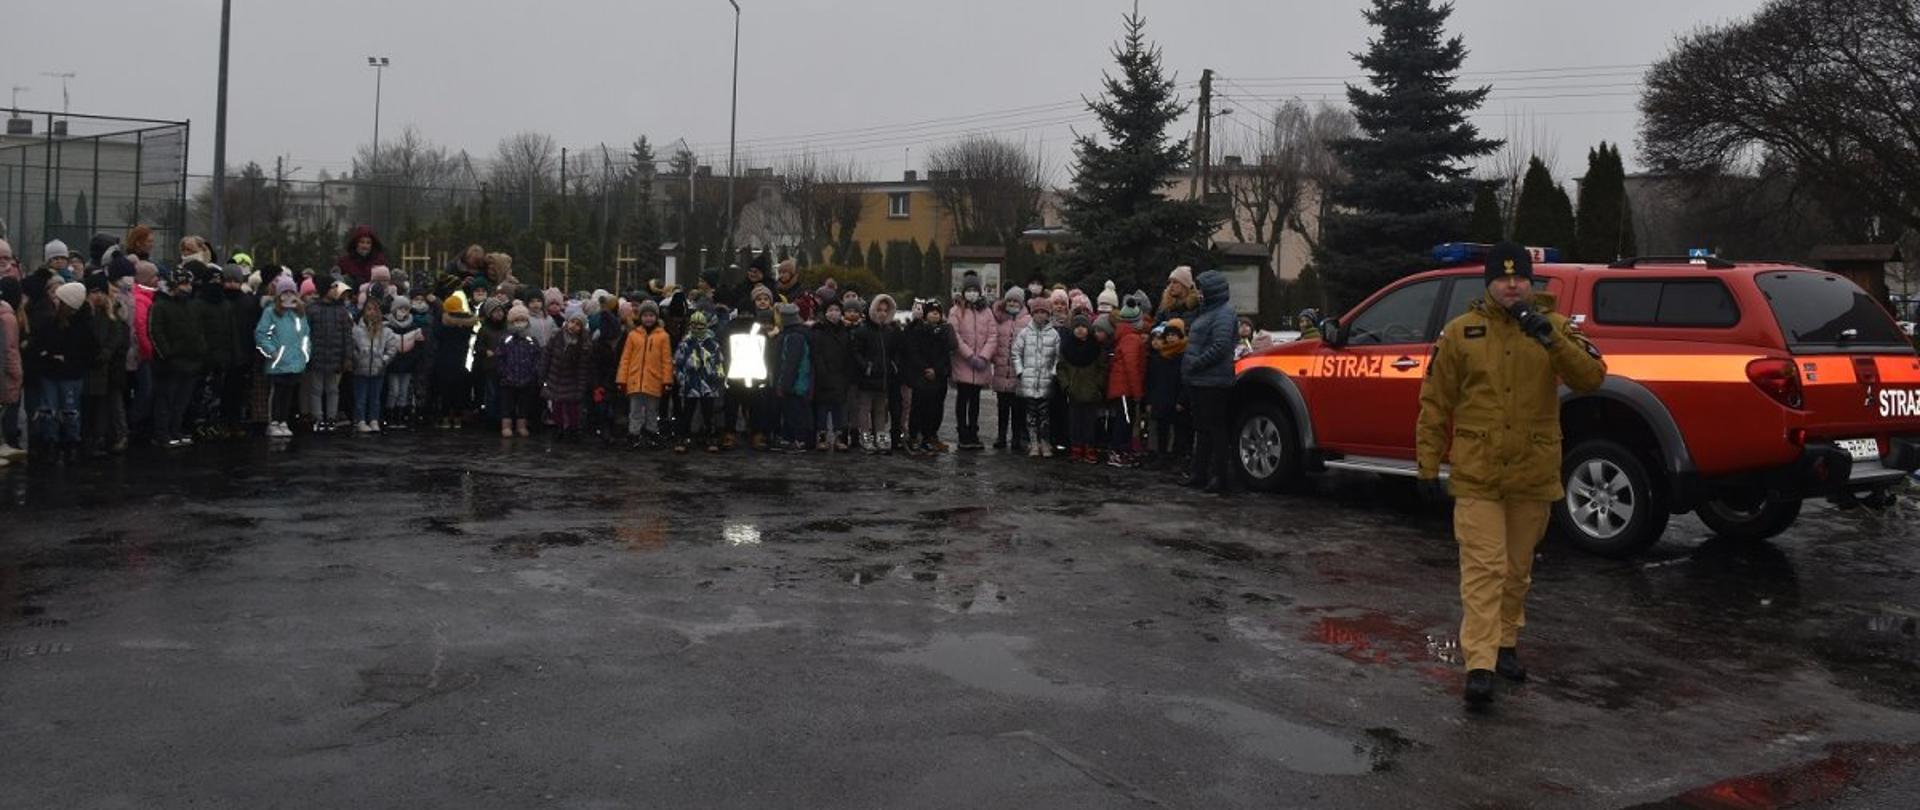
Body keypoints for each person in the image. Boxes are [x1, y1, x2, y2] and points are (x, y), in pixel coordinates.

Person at [1415, 242, 1607, 708]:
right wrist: (1427, 465)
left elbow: (1591, 378)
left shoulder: (1555, 327)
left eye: (1519, 277)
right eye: (1503, 278)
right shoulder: (1461, 333)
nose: (1512, 285)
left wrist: (1552, 339)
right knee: (1484, 569)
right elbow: (1435, 402)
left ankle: (1504, 644)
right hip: (1478, 471)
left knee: (1516, 570)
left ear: (1530, 282)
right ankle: (1479, 664)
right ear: (1489, 283)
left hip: (1532, 470)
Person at [1182, 270, 1237, 495]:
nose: (1198, 293)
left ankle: (1219, 476)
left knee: (1216, 430)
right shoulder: (1207, 312)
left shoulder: (1223, 313)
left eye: (1201, 289)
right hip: (1200, 381)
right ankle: (1199, 473)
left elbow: (1221, 345)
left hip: (1214, 382)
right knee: (1202, 429)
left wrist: (1196, 363)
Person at [29, 282, 96, 460]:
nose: (55, 302)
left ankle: (70, 442)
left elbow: (89, 353)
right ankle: (52, 441)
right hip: (53, 373)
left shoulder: (82, 327)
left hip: (69, 374)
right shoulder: (50, 323)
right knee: (49, 410)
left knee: (69, 410)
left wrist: (66, 358)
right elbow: (38, 345)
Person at [147, 270, 206, 448]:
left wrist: (200, 350)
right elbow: (155, 332)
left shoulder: (191, 306)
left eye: (188, 284)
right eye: (182, 284)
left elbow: (198, 330)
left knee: (181, 401)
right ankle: (162, 434)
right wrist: (167, 354)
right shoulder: (160, 305)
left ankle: (176, 430)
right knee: (166, 400)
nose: (186, 288)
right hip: (170, 363)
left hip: (190, 360)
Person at [81, 276, 131, 456]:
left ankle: (103, 438)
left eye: (101, 292)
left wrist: (105, 354)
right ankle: (92, 440)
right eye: (94, 292)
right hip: (91, 367)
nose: (99, 296)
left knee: (105, 406)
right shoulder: (85, 314)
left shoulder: (112, 315)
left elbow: (117, 340)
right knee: (91, 406)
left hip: (108, 368)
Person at [948, 272, 997, 451]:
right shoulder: (956, 311)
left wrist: (984, 356)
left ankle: (973, 433)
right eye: (968, 290)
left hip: (980, 365)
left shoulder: (987, 311)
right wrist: (969, 355)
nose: (971, 293)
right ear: (963, 292)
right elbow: (954, 336)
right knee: (962, 399)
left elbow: (993, 336)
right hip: (963, 363)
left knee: (975, 401)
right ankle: (962, 434)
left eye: (974, 290)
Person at [617, 299, 673, 449]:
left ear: (656, 317)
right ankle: (633, 434)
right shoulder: (633, 335)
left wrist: (667, 381)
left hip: (654, 380)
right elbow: (625, 359)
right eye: (645, 315)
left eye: (651, 315)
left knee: (652, 411)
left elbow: (666, 361)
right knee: (635, 411)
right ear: (640, 317)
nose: (648, 319)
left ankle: (651, 433)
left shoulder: (663, 336)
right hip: (635, 380)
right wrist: (622, 379)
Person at [850, 294, 900, 454]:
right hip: (867, 377)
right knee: (864, 408)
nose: (882, 313)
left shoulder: (890, 331)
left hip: (884, 377)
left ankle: (880, 436)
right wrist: (866, 367)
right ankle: (865, 436)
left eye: (885, 310)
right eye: (879, 310)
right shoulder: (863, 330)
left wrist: (893, 366)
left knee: (880, 409)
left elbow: (895, 352)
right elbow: (856, 352)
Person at [1011, 298, 1060, 458]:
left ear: (1048, 314)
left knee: (1045, 415)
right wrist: (1021, 371)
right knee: (1030, 414)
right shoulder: (1025, 333)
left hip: (1046, 381)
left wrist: (1053, 373)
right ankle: (1033, 442)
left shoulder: (1054, 334)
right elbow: (1016, 353)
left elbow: (1058, 356)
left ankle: (1045, 442)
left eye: (1043, 312)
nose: (1040, 315)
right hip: (1029, 381)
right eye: (1037, 312)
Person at [673, 309, 726, 453]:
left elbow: (719, 362)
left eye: (700, 325)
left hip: (708, 383)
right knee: (687, 413)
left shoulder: (713, 344)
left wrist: (719, 377)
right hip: (690, 384)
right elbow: (678, 363)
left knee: (709, 414)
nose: (697, 329)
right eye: (694, 325)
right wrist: (681, 378)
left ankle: (711, 437)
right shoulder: (685, 343)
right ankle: (683, 437)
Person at [904, 298, 953, 455]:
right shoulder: (917, 330)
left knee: (935, 409)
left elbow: (946, 354)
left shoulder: (944, 331)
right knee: (918, 408)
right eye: (931, 312)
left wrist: (937, 371)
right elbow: (913, 352)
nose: (934, 315)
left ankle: (929, 436)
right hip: (921, 376)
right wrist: (925, 368)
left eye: (937, 312)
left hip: (939, 377)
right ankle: (914, 437)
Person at [1058, 312, 1108, 464]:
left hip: (1092, 391)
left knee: (1090, 422)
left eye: (1083, 327)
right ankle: (1076, 448)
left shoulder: (1095, 347)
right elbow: (1061, 368)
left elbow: (1102, 368)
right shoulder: (1067, 346)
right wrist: (1066, 386)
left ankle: (1089, 448)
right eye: (1077, 327)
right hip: (1073, 391)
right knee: (1074, 422)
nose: (1080, 329)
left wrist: (1098, 385)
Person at [305, 280, 354, 432]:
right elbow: (306, 334)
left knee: (332, 389)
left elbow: (347, 335)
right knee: (316, 389)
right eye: (333, 288)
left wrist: (347, 356)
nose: (335, 290)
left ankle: (331, 417)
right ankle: (318, 418)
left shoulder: (341, 310)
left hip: (335, 356)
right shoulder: (312, 309)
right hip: (317, 355)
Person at [1106, 295, 1149, 467]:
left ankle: (1122, 451)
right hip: (1125, 388)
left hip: (1122, 386)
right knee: (1124, 421)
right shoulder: (1132, 338)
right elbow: (1132, 367)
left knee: (1125, 419)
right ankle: (1118, 452)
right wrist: (1138, 392)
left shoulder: (1124, 336)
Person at [543, 307, 596, 442]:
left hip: (572, 381)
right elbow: (547, 356)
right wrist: (543, 374)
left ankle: (573, 429)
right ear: (567, 322)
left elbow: (583, 368)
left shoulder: (584, 344)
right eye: (572, 322)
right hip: (555, 378)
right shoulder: (557, 336)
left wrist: (581, 386)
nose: (574, 326)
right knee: (557, 407)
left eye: (578, 324)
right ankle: (559, 428)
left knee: (572, 408)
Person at [348, 298, 401, 433]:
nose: (372, 312)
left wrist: (384, 360)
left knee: (375, 398)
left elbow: (392, 347)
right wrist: (357, 358)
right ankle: (360, 420)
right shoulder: (357, 330)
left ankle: (374, 420)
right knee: (360, 398)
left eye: (375, 309)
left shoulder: (385, 330)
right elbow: (352, 346)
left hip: (378, 369)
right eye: (368, 309)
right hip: (360, 369)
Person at [809, 298, 854, 452]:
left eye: (837, 310)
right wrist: (823, 373)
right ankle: (821, 437)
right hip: (824, 376)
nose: (834, 313)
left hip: (841, 375)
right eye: (830, 310)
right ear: (825, 313)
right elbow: (816, 354)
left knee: (839, 409)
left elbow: (849, 354)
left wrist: (847, 375)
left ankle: (839, 437)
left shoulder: (845, 331)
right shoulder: (818, 330)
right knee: (822, 408)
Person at [1145, 317, 1190, 471]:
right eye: (1168, 335)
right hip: (1161, 398)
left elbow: (1186, 380)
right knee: (1161, 429)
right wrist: (1150, 400)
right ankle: (1161, 456)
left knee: (1179, 431)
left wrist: (1182, 400)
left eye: (1174, 335)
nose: (1170, 338)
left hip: (1176, 399)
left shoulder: (1184, 356)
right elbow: (1152, 380)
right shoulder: (1160, 356)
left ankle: (1178, 458)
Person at [493, 304, 543, 438]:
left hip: (527, 379)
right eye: (517, 320)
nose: (520, 323)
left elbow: (537, 357)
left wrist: (533, 373)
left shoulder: (531, 340)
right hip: (508, 380)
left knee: (524, 405)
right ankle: (506, 426)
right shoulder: (505, 339)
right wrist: (504, 373)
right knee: (507, 405)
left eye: (523, 320)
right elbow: (499, 357)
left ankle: (521, 426)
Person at [769, 302, 813, 452]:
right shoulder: (798, 333)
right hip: (798, 382)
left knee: (794, 412)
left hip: (795, 383)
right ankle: (789, 438)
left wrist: (784, 384)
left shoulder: (793, 336)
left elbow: (790, 363)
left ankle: (798, 440)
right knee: (792, 411)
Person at [989, 288, 1029, 452]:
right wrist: (994, 358)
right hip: (1001, 371)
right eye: (1009, 301)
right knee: (1002, 407)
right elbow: (993, 341)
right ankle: (1001, 436)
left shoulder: (1027, 321)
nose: (1012, 303)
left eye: (1015, 301)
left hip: (1018, 373)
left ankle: (1017, 438)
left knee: (1019, 409)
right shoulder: (998, 320)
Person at [432, 291, 478, 429]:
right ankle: (458, 418)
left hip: (444, 360)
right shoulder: (468, 322)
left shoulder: (443, 321)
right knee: (459, 390)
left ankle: (445, 418)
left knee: (445, 390)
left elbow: (437, 334)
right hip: (461, 360)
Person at [383, 296, 424, 429]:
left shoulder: (414, 327)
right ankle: (390, 416)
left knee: (403, 391)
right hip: (393, 364)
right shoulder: (387, 326)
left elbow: (419, 347)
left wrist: (413, 360)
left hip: (407, 364)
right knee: (393, 391)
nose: (403, 311)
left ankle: (400, 416)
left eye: (406, 309)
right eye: (400, 308)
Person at [0, 276, 25, 460]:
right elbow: (10, 350)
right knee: (7, 408)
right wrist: (17, 373)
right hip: (6, 373)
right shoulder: (8, 317)